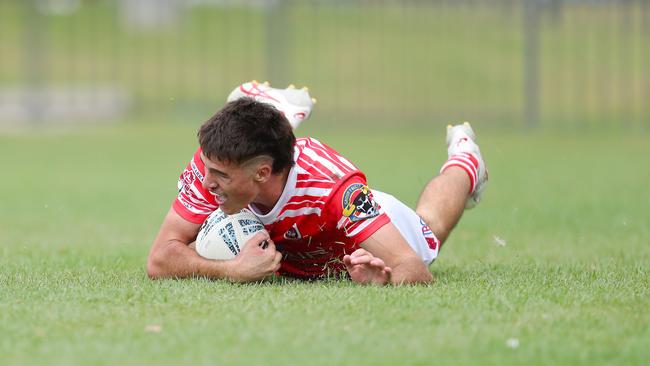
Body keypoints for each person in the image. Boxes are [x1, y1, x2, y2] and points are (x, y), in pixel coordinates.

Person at [147, 81, 488, 285]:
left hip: (364, 225)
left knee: (429, 229)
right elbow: (159, 259)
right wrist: (230, 270)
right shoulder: (215, 158)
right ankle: (275, 112)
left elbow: (412, 269)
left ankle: (466, 160)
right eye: (206, 169)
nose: (206, 183)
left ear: (262, 173)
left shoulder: (336, 191)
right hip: (294, 229)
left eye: (220, 177)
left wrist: (385, 279)